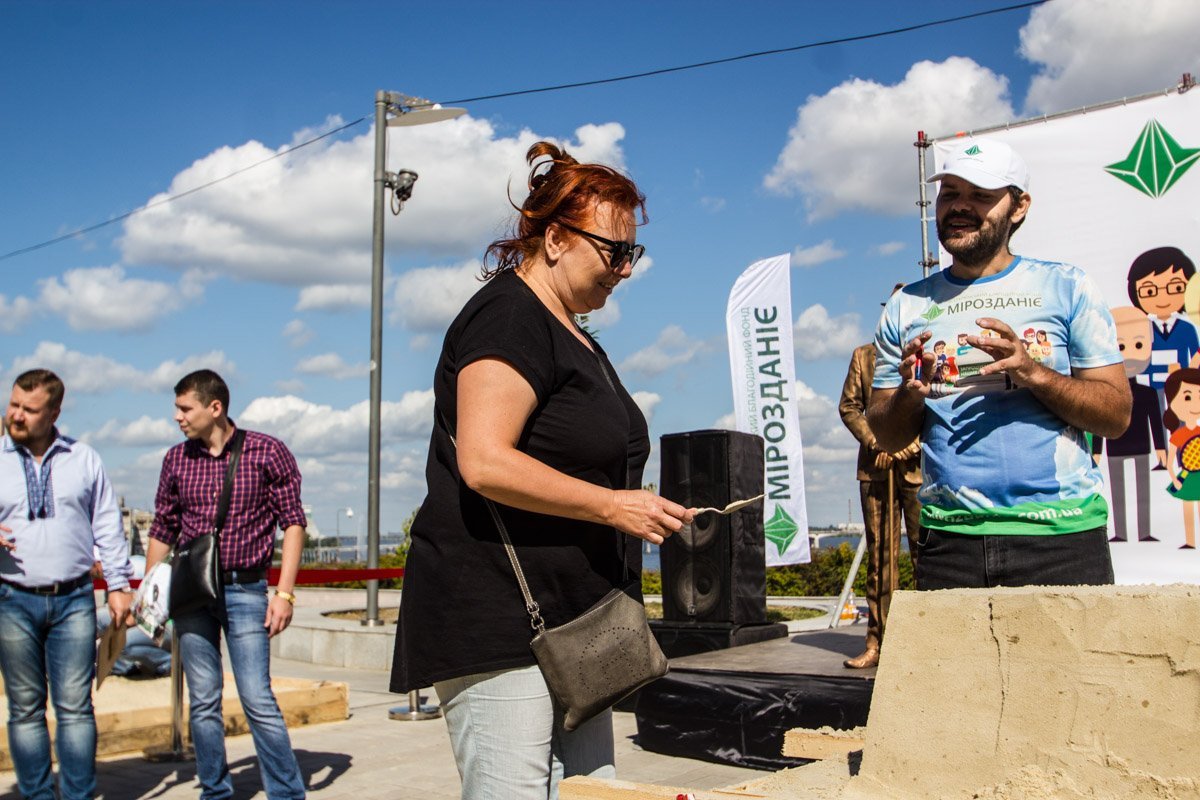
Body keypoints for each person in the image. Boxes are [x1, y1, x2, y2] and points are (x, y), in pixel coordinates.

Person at [390, 141, 692, 799]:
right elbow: (484, 460)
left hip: (579, 625)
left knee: (591, 792)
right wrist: (615, 507)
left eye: (631, 254)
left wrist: (640, 506)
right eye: (613, 252)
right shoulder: (508, 317)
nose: (625, 270)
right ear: (555, 238)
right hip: (503, 623)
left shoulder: (573, 329)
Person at [867, 137, 1131, 589]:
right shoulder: (906, 305)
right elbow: (887, 436)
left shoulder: (1068, 287)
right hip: (948, 542)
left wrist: (1033, 373)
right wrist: (911, 394)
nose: (959, 207)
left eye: (980, 195)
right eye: (949, 193)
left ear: (1019, 206)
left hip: (1060, 537)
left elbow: (1116, 416)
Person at [145, 370, 306, 800]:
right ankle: (214, 791)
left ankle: (287, 792)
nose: (177, 417)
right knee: (203, 700)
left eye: (185, 408)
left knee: (256, 696)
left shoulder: (266, 452)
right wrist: (150, 593)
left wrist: (284, 593)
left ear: (214, 407)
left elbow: (293, 524)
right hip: (191, 594)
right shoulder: (176, 460)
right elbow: (163, 527)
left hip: (245, 589)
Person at [0, 369, 133, 800]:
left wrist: (118, 585)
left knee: (75, 709)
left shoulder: (85, 458)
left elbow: (108, 527)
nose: (15, 415)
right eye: (14, 404)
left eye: (28, 409)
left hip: (75, 599)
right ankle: (37, 796)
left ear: (54, 412)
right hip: (11, 600)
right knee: (24, 711)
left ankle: (79, 796)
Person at [838, 330, 921, 669]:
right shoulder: (864, 355)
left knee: (926, 556)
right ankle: (877, 641)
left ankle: (926, 642)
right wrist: (879, 441)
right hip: (875, 471)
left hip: (919, 469)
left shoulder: (928, 355)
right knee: (880, 561)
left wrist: (910, 444)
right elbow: (849, 406)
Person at [1091, 307, 1165, 543]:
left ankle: (1145, 532)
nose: (1129, 355)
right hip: (1115, 445)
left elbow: (1156, 422)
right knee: (1117, 492)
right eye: (1120, 347)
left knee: (1143, 489)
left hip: (1142, 446)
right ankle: (1120, 532)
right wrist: (1097, 449)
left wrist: (1161, 448)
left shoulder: (1148, 393)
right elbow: (1102, 418)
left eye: (1139, 345)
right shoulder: (1107, 392)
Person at [1164, 367, 1200, 549]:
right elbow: (1170, 463)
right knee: (1188, 507)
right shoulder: (1178, 435)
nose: (1195, 404)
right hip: (1186, 476)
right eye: (1187, 397)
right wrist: (1174, 480)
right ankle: (1190, 541)